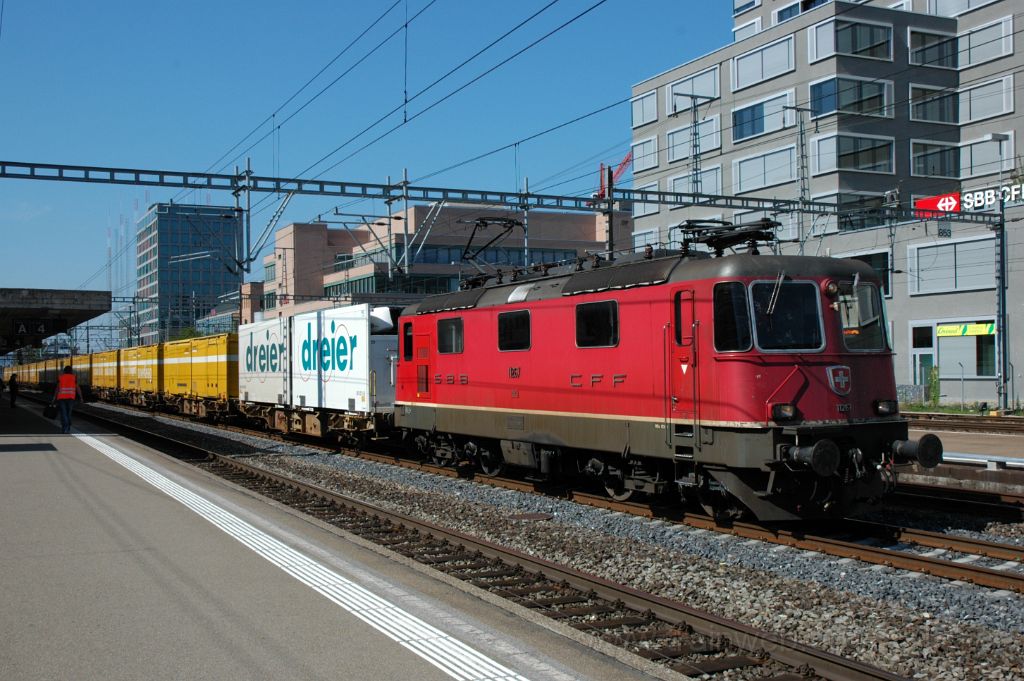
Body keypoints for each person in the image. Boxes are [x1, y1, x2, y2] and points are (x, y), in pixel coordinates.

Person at [52, 366, 83, 434]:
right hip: (71, 398)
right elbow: (78, 388)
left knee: (63, 413)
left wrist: (54, 397)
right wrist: (81, 397)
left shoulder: (60, 377)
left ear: (64, 371)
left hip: (61, 398)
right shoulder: (74, 377)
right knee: (68, 413)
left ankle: (65, 427)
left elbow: (57, 388)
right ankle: (67, 426)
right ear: (71, 371)